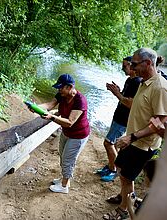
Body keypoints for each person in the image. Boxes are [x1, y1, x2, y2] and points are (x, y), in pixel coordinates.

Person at [103, 48, 167, 220]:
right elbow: (134, 105)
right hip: (132, 140)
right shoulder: (143, 82)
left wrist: (132, 137)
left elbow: (160, 122)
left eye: (134, 64)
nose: (131, 67)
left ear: (147, 63)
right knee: (123, 172)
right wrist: (118, 94)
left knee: (126, 175)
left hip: (143, 144)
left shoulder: (160, 87)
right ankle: (125, 197)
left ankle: (123, 210)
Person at [29, 74, 90, 194]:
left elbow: (70, 122)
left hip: (78, 135)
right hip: (67, 132)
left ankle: (64, 186)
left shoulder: (80, 100)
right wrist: (35, 107)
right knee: (63, 156)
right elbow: (49, 105)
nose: (59, 90)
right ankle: (65, 179)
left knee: (68, 159)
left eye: (61, 87)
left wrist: (52, 117)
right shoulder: (62, 95)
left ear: (70, 87)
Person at [96, 56, 141, 182]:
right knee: (114, 144)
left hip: (124, 119)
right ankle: (111, 166)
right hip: (118, 116)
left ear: (133, 66)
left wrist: (116, 93)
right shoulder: (129, 80)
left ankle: (114, 170)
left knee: (108, 143)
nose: (122, 68)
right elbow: (125, 97)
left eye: (125, 65)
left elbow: (131, 104)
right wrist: (119, 91)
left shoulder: (137, 82)